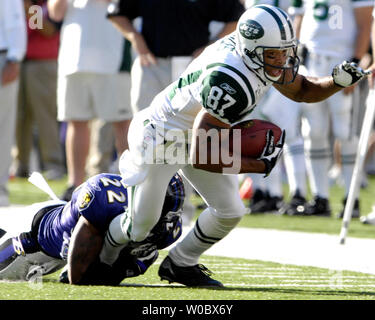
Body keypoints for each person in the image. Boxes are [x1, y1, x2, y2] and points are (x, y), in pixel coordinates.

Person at [99, 5, 370, 287]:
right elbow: (201, 155)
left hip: (201, 135)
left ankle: (180, 264)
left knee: (230, 210)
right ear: (253, 49)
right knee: (141, 226)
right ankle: (100, 257)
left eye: (285, 50)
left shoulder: (258, 54)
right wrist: (258, 164)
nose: (281, 59)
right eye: (273, 54)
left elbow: (301, 90)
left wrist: (336, 82)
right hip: (164, 137)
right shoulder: (229, 78)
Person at [106, 0, 245, 227]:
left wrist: (211, 46)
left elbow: (237, 17)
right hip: (152, 61)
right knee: (148, 139)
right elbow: (117, 13)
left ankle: (180, 209)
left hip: (191, 67)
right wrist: (136, 39)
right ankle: (135, 208)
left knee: (184, 141)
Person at [0, 172, 184, 285]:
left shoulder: (168, 230)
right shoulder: (103, 197)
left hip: (59, 254)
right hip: (32, 242)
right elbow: (78, 277)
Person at [291, 0, 373, 218]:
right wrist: (296, 55)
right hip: (311, 61)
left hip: (342, 61)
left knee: (345, 132)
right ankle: (320, 197)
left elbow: (366, 23)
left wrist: (355, 64)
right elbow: (299, 17)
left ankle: (351, 198)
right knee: (313, 132)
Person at [47, 0, 134, 201]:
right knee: (76, 121)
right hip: (73, 59)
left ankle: (130, 183)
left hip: (113, 58)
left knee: (122, 123)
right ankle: (75, 185)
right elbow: (55, 13)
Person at [241, 0, 308, 216]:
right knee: (255, 131)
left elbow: (296, 20)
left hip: (280, 63)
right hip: (253, 66)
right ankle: (265, 192)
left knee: (287, 130)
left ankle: (298, 192)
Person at [13, 0, 65, 181]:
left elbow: (48, 31)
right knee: (20, 117)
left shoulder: (44, 5)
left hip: (42, 64)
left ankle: (54, 164)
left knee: (45, 116)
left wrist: (29, 10)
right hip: (20, 63)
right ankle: (21, 165)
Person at [0, 0, 27, 206]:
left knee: (3, 128)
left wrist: (15, 57)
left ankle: (0, 190)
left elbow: (17, 21)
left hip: (4, 57)